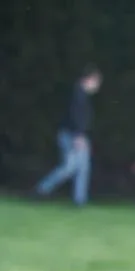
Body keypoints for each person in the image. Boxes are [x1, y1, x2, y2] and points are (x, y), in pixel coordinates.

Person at [35, 66, 102, 206]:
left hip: (77, 135)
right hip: (73, 135)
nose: (97, 86)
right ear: (89, 79)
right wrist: (79, 135)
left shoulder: (80, 94)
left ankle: (79, 200)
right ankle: (42, 189)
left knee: (83, 168)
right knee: (69, 167)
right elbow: (75, 116)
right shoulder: (77, 94)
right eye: (96, 82)